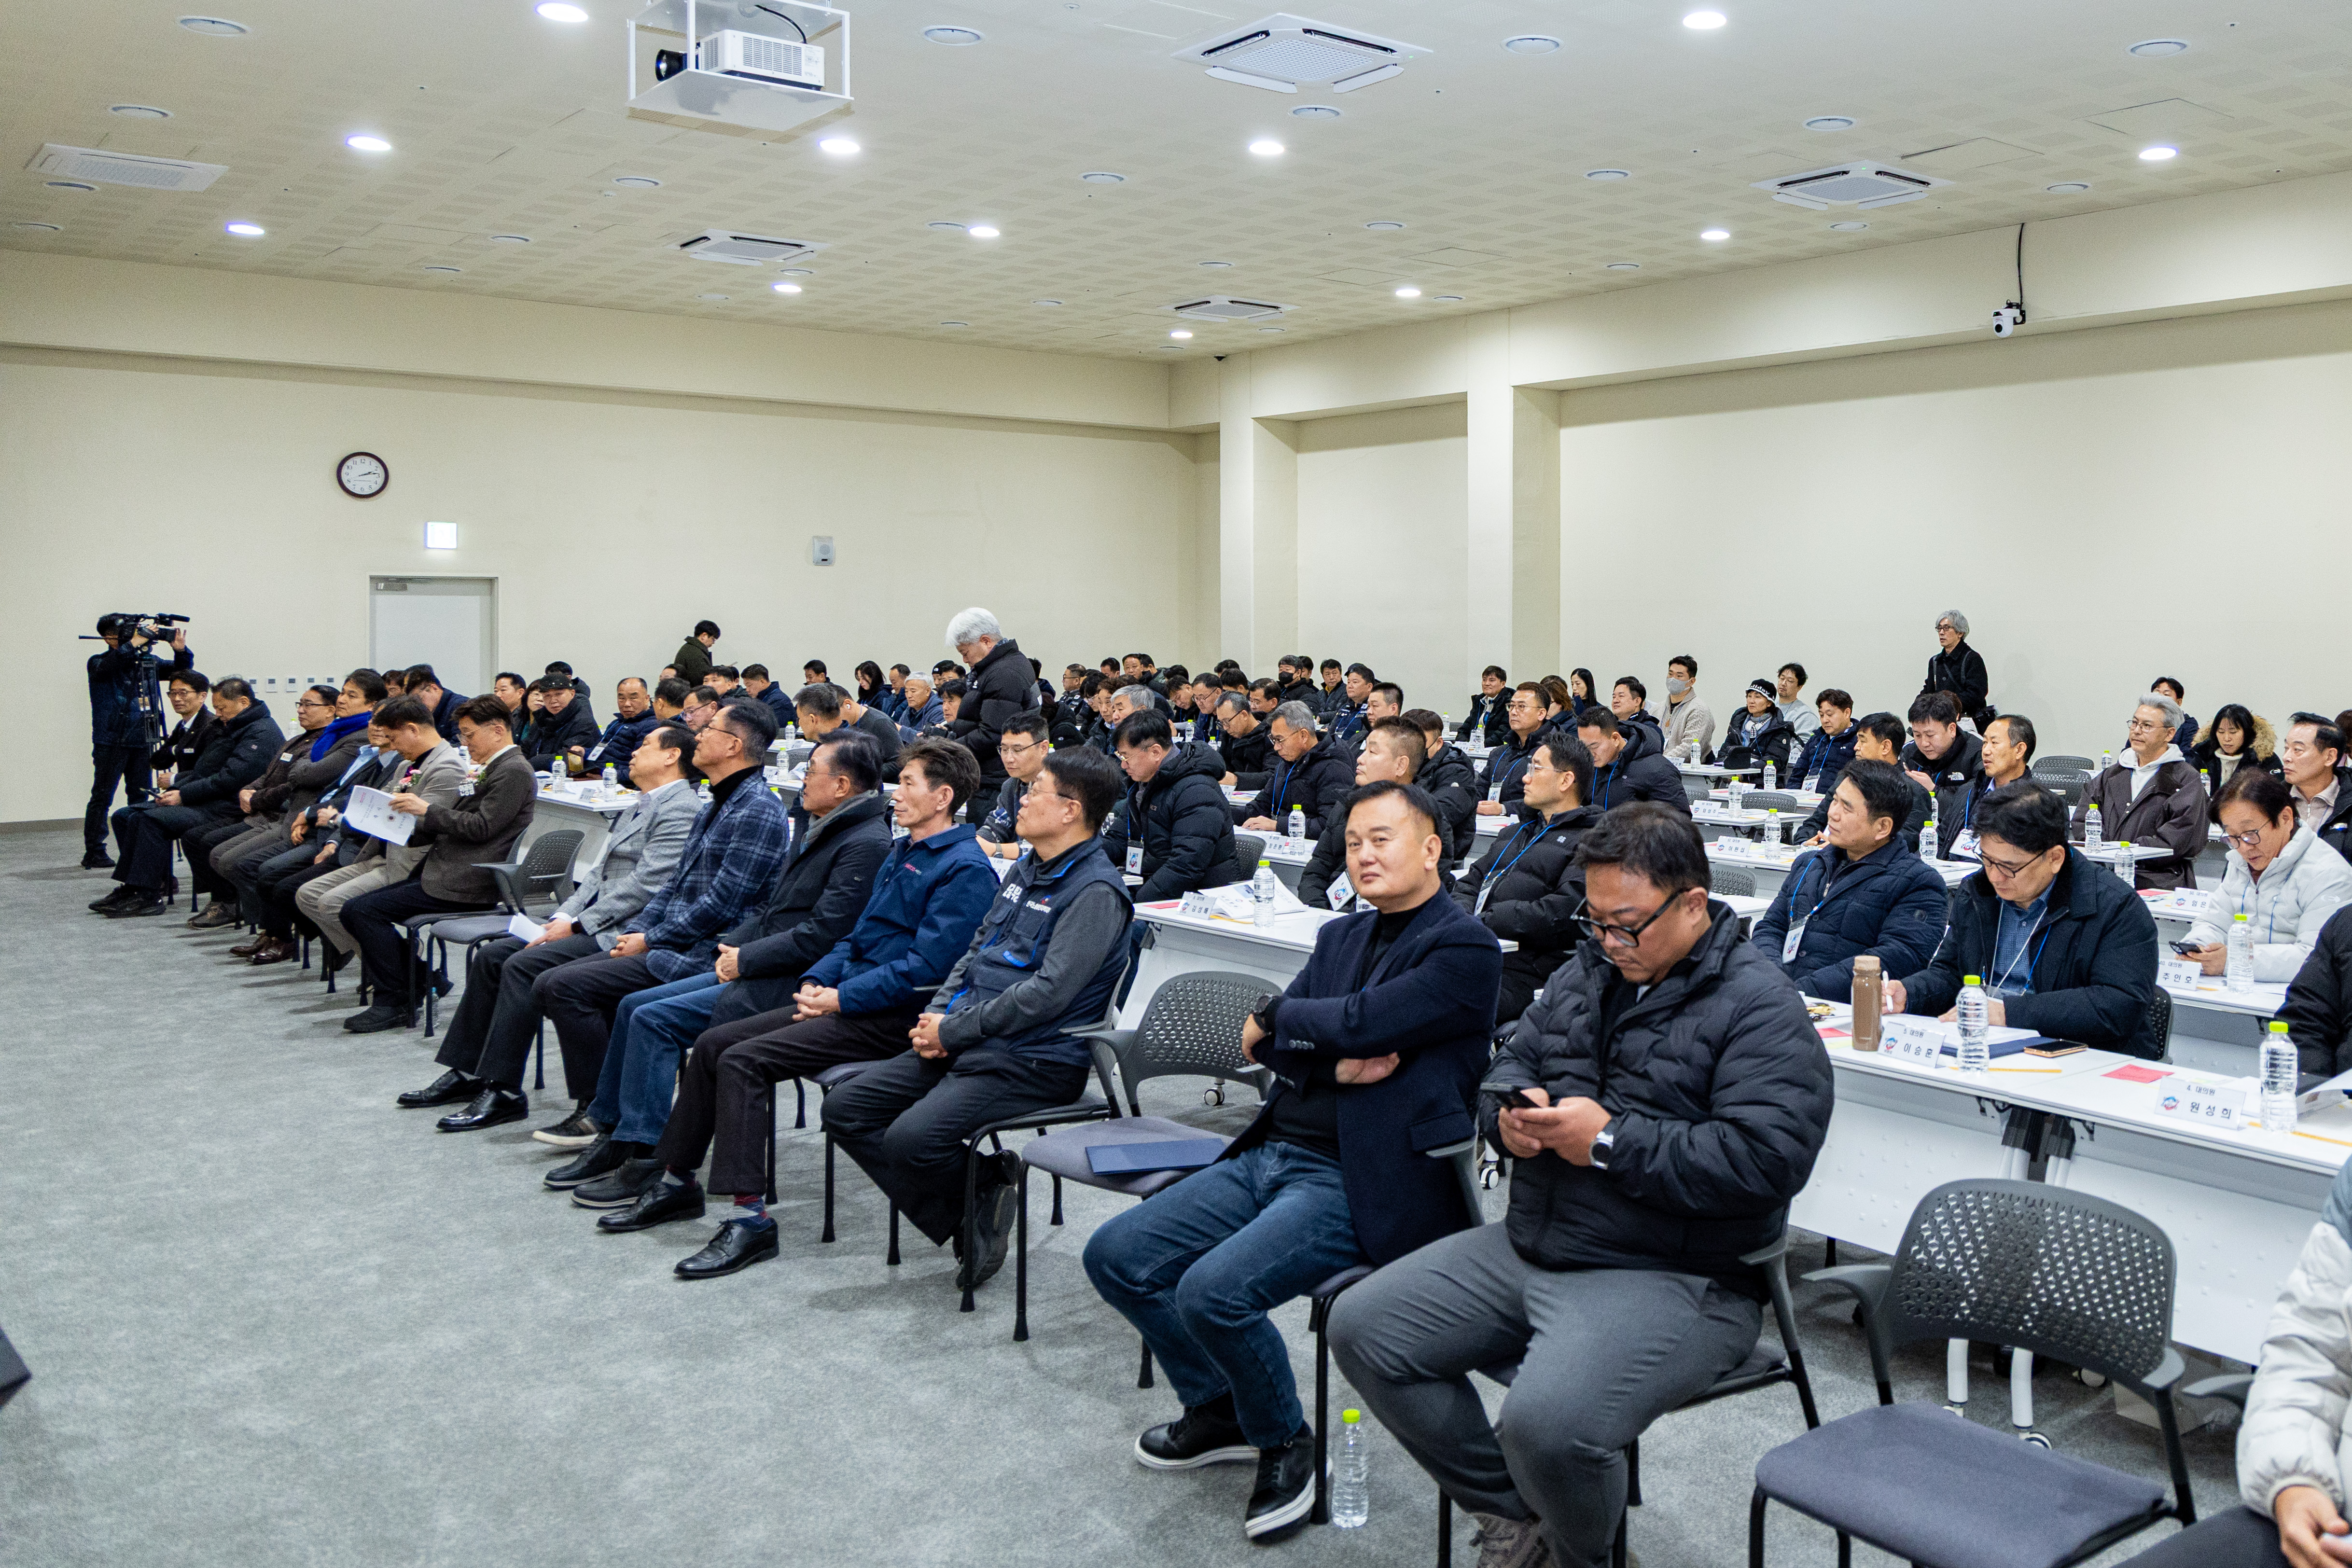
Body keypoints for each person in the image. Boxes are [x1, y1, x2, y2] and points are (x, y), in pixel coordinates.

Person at [1330, 802, 1832, 1568]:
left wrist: (1607, 1141)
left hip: (1675, 1269)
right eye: (1594, 920)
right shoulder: (1587, 970)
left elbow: (1766, 1162)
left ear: (1692, 904)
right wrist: (1508, 1118)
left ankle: (1583, 1556)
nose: (1608, 940)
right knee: (1364, 1326)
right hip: (1539, 1238)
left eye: (1626, 923)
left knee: (1549, 1423)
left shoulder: (1760, 1006)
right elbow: (1511, 1064)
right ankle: (1519, 1515)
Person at [1086, 780, 1500, 1545]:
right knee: (1118, 1254)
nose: (1364, 854)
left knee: (1214, 1292)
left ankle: (1285, 1440)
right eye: (1353, 843)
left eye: (1383, 838)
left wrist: (1284, 1021)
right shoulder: (1341, 937)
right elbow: (1272, 1046)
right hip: (1273, 1149)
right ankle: (1219, 1411)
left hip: (1362, 1177)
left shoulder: (1463, 946)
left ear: (1433, 847)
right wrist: (1328, 1058)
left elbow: (1349, 1020)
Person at [625, 738, 1002, 1261]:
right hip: (849, 999)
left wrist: (840, 998)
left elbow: (928, 971)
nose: (896, 793)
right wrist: (816, 981)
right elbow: (855, 937)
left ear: (942, 797)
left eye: (909, 783)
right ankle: (677, 1180)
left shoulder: (963, 869)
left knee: (742, 1060)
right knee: (714, 1044)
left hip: (893, 1016)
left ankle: (749, 1218)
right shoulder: (904, 852)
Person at [823, 746, 1134, 1292]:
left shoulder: (1094, 892)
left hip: (1033, 1059)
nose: (1022, 797)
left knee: (910, 1141)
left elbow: (1047, 995)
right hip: (970, 1039)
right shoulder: (1025, 867)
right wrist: (937, 1015)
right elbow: (975, 952)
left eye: (1036, 789)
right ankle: (981, 1190)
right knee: (847, 1108)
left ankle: (978, 1190)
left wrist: (954, 1030)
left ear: (1070, 809)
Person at [395, 722, 704, 1129]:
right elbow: (595, 875)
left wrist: (577, 926)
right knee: (493, 956)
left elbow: (647, 884)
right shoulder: (641, 802)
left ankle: (516, 1091)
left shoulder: (681, 807)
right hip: (593, 922)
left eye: (644, 745)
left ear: (671, 756)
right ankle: (469, 1072)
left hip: (626, 931)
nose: (632, 752)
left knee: (523, 966)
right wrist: (561, 916)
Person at [508, 701, 791, 1130]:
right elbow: (674, 884)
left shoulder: (757, 808)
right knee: (554, 981)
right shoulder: (716, 801)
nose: (697, 735)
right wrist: (640, 929)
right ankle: (606, 1106)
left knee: (563, 986)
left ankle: (603, 1114)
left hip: (701, 952)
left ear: (733, 745)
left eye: (709, 728)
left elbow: (724, 903)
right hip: (668, 939)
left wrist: (651, 938)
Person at [1888, 782, 2162, 1057]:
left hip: (2081, 1056)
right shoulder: (1978, 892)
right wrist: (1910, 993)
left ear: (2054, 858)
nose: (1995, 876)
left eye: (2010, 867)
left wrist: (2008, 1013)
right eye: (1987, 860)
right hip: (1984, 1046)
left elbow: (2119, 1005)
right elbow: (1951, 974)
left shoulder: (2114, 906)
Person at [336, 695, 537, 1032]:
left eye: (470, 735)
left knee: (361, 911)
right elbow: (461, 819)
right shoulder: (494, 767)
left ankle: (398, 997)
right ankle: (417, 982)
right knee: (357, 909)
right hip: (446, 868)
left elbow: (481, 827)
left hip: (469, 881)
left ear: (498, 731)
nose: (465, 743)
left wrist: (426, 810)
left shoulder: (514, 770)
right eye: (462, 735)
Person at [288, 696, 466, 965]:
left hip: (411, 862)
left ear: (413, 730)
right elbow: (377, 804)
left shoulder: (447, 767)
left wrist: (343, 820)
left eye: (394, 739)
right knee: (308, 895)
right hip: (380, 853)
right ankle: (395, 966)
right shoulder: (407, 765)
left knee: (333, 904)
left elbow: (425, 827)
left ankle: (396, 974)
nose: (392, 746)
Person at [1751, 761, 1949, 1001]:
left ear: (1883, 827)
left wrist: (1799, 992)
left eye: (1846, 807)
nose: (1832, 814)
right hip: (1780, 1000)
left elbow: (1895, 959)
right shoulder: (1810, 864)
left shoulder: (1919, 884)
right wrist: (1775, 981)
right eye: (1835, 800)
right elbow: (1771, 928)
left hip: (1846, 1012)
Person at [187, 680, 375, 928]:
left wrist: (257, 799)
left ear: (330, 711)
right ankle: (253, 919)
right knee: (211, 847)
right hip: (280, 813)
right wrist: (250, 790)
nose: (301, 710)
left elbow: (302, 778)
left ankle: (267, 926)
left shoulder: (345, 739)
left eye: (309, 705)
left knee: (241, 863)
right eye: (301, 704)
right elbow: (273, 773)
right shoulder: (302, 738)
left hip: (292, 817)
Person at [98, 678, 285, 919]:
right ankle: (135, 886)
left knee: (149, 820)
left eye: (222, 708)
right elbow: (203, 772)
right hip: (209, 798)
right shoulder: (231, 726)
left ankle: (148, 894)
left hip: (227, 807)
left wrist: (183, 794)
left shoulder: (260, 732)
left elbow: (230, 779)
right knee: (127, 816)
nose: (218, 714)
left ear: (244, 702)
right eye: (216, 709)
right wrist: (177, 791)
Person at [1454, 732, 1598, 1023]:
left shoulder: (1594, 842)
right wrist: (1462, 918)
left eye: (1536, 769)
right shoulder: (1516, 833)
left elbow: (1561, 914)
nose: (1525, 779)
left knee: (1442, 1005)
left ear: (1565, 780)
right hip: (1473, 949)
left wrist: (1484, 922)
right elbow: (1471, 881)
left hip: (1526, 969)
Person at [2179, 771, 2352, 985]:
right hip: (2245, 989)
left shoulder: (2328, 873)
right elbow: (2214, 922)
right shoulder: (2241, 863)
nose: (2243, 847)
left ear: (2286, 819)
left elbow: (2315, 957)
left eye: (2250, 833)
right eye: (2232, 837)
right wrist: (2197, 948)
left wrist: (2232, 961)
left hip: (2299, 1000)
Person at [84, 614, 195, 868]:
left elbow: (181, 672)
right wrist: (133, 644)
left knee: (141, 795)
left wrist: (181, 651)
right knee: (102, 796)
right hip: (111, 740)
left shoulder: (148, 661)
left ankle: (135, 847)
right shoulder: (99, 662)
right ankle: (95, 850)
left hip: (144, 738)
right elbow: (111, 665)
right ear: (109, 638)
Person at [2070, 692, 2210, 889]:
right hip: (2105, 876)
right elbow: (2083, 820)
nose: (2137, 731)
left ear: (2169, 734)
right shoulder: (2111, 775)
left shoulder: (2185, 779)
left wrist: (2126, 851)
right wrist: (2105, 851)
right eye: (2134, 723)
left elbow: (2179, 839)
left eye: (2147, 726)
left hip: (2158, 881)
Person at [1106, 710, 1241, 900]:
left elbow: (1185, 866)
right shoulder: (1144, 784)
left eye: (1126, 757)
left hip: (1199, 896)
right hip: (1154, 882)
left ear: (1155, 752)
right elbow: (1118, 839)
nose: (1123, 765)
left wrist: (1137, 905)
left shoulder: (1197, 791)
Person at [1297, 720, 1426, 908]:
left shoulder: (1423, 820)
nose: (1360, 759)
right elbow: (1318, 868)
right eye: (1363, 750)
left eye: (1372, 752)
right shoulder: (1347, 804)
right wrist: (1318, 910)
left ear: (1401, 766)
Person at [944, 607, 1041, 796]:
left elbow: (993, 734)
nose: (964, 660)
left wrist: (948, 747)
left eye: (965, 652)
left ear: (986, 641)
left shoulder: (1003, 674)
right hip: (991, 775)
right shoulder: (1001, 666)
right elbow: (981, 717)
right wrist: (948, 730)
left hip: (993, 781)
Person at [1799, 711, 1931, 850]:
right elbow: (1814, 822)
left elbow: (1906, 842)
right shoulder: (1846, 781)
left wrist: (1841, 849)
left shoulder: (1913, 792)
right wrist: (1805, 843)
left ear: (1885, 747)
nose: (1856, 747)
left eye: (1863, 741)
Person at [1232, 702, 1354, 838]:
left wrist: (1277, 825)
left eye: (1280, 740)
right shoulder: (1288, 762)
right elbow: (1260, 807)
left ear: (1303, 736)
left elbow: (1329, 826)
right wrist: (1221, 811)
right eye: (1274, 740)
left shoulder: (1334, 768)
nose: (1276, 748)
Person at [1938, 712, 2038, 861]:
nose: (1986, 751)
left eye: (1994, 743)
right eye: (1985, 742)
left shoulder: (2040, 804)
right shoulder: (1969, 791)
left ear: (2019, 750)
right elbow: (1941, 839)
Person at [1573, 708, 1689, 814]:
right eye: (1584, 747)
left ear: (1615, 739)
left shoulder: (1658, 769)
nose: (1589, 753)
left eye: (1594, 746)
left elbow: (1678, 822)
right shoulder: (1590, 768)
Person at [1901, 692, 1985, 832]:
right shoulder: (1909, 752)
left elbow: (1975, 808)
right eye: (1917, 735)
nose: (1924, 743)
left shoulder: (1978, 754)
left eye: (1930, 735)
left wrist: (1934, 791)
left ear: (1952, 729)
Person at [1406, 708, 1480, 863]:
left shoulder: (1457, 772)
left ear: (1439, 743)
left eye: (1421, 744)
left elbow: (1438, 814)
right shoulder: (1405, 764)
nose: (1414, 751)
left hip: (1439, 859)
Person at [976, 711, 1050, 859]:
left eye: (1018, 750)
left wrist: (993, 849)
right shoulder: (1011, 786)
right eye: (1004, 750)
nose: (1009, 758)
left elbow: (1050, 848)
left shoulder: (1061, 787)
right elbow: (997, 826)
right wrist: (976, 843)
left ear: (1043, 748)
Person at [2282, 715, 2352, 866]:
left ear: (2329, 757)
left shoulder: (2348, 804)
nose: (2286, 757)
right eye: (2287, 748)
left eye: (2298, 750)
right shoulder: (2269, 800)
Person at [1475, 684, 1550, 819]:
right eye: (1512, 706)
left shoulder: (1551, 752)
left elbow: (1548, 799)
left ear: (1541, 714)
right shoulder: (1499, 753)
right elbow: (1480, 788)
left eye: (1522, 707)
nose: (1514, 712)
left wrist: (1504, 808)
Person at [567, 677, 659, 783]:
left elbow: (641, 769)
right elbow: (601, 750)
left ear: (647, 699)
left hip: (614, 782)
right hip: (593, 775)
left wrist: (608, 777)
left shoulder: (651, 726)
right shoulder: (616, 723)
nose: (627, 704)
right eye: (622, 698)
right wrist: (585, 752)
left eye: (633, 698)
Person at [795, 680, 901, 764]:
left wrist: (869, 775)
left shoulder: (880, 722)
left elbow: (897, 762)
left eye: (837, 711)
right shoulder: (841, 730)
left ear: (847, 704)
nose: (835, 716)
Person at [2191, 704, 2283, 794]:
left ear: (2247, 733)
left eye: (2233, 732)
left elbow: (2276, 795)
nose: (2227, 738)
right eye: (2221, 732)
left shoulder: (2264, 759)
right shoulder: (2202, 756)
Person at [1922, 610, 1991, 729]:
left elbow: (1976, 694)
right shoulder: (1935, 661)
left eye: (1947, 628)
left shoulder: (1972, 659)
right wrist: (1918, 706)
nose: (1941, 633)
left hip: (1967, 723)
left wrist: (1945, 707)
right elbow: (1929, 690)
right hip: (1940, 723)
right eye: (1939, 629)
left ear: (1960, 633)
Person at [1716, 679, 1798, 775]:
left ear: (1769, 703)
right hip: (1732, 779)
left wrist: (1744, 772)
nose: (1752, 701)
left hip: (1763, 783)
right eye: (1749, 696)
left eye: (1757, 697)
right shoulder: (1738, 723)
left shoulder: (1779, 729)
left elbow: (1774, 760)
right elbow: (1724, 752)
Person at [1789, 689, 1858, 800]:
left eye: (1830, 715)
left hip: (1836, 804)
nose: (1825, 720)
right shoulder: (1816, 740)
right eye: (1822, 715)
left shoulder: (1858, 741)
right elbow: (1798, 774)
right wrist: (1793, 798)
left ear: (1847, 713)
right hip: (1805, 801)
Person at [519, 677, 599, 772]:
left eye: (558, 694)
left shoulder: (583, 721)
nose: (553, 700)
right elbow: (526, 747)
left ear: (572, 694)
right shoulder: (542, 717)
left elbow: (570, 758)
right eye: (547, 696)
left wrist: (531, 764)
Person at [1648, 654, 1714, 762]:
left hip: (1687, 774)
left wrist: (1660, 761)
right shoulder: (1656, 710)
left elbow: (1689, 748)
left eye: (1679, 676)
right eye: (1670, 674)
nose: (1673, 679)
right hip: (1656, 768)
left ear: (1692, 681)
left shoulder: (1699, 710)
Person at [1213, 691, 1273, 791]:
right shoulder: (1229, 736)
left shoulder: (1270, 736)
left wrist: (1237, 780)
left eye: (1227, 721)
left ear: (1244, 715)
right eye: (1221, 722)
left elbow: (1273, 776)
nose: (1225, 727)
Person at [403, 666, 466, 746]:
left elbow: (461, 745)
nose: (417, 705)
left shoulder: (460, 706)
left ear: (434, 688)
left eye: (418, 699)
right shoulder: (428, 711)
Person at [1324, 664, 1376, 753]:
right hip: (1331, 752)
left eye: (1355, 682)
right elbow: (1330, 733)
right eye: (1348, 682)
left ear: (1369, 687)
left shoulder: (1371, 710)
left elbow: (1362, 741)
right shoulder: (1345, 707)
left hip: (1351, 755)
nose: (1350, 686)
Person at [1459, 666, 1511, 748]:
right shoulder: (1480, 701)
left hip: (1492, 748)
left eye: (1492, 680)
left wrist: (1481, 745)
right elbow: (1465, 728)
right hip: (1474, 748)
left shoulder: (1509, 702)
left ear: (1503, 684)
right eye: (1484, 680)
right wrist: (1464, 744)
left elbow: (1504, 732)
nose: (1487, 684)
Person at [742, 664, 797, 732]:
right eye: (746, 686)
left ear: (762, 682)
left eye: (749, 685)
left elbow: (771, 730)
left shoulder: (779, 701)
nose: (747, 690)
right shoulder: (759, 699)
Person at [1610, 677, 1663, 747]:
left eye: (1621, 696)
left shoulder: (1649, 729)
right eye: (1614, 697)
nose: (1615, 701)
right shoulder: (1608, 726)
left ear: (1637, 701)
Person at [1775, 663, 1818, 741]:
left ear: (1799, 687)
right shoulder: (1769, 708)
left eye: (1790, 681)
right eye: (1782, 679)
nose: (1784, 684)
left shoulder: (1805, 716)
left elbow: (1802, 747)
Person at [1052, 665, 1093, 747]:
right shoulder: (1064, 698)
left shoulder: (1084, 700)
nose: (1062, 681)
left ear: (1077, 681)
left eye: (1065, 678)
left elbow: (1079, 721)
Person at [671, 620, 720, 687]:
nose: (713, 643)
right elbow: (702, 682)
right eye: (713, 639)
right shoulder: (696, 654)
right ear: (704, 636)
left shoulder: (690, 648)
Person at [895, 675, 941, 739]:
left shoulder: (939, 711)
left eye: (913, 691)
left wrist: (901, 730)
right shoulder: (908, 711)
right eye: (906, 692)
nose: (909, 696)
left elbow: (929, 741)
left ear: (928, 691)